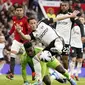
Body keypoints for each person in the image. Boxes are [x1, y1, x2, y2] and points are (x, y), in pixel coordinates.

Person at [16, 11, 79, 85]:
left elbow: (57, 19)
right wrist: (20, 32)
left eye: (34, 23)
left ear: (36, 22)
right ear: (29, 25)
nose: (33, 25)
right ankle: (39, 81)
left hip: (58, 40)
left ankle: (58, 49)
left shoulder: (43, 22)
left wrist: (70, 16)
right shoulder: (33, 34)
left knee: (58, 46)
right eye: (31, 23)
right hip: (49, 48)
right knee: (35, 58)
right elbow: (26, 38)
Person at [5, 5, 32, 79]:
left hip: (25, 42)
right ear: (15, 11)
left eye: (20, 10)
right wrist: (9, 34)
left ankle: (33, 72)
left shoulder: (26, 20)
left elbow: (29, 31)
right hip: (16, 41)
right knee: (12, 56)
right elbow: (14, 27)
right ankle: (11, 74)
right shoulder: (14, 18)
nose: (19, 12)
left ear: (23, 11)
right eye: (17, 10)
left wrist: (28, 38)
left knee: (29, 58)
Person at [55, 1, 84, 70]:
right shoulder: (58, 15)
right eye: (62, 5)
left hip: (66, 42)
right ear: (60, 6)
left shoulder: (71, 15)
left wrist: (83, 36)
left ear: (68, 6)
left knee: (65, 60)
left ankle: (67, 75)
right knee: (53, 57)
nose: (64, 7)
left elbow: (81, 25)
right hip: (56, 40)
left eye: (65, 5)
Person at [69, 16, 85, 81]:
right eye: (80, 19)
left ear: (84, 21)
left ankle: (77, 75)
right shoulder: (74, 27)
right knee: (73, 59)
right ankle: (72, 74)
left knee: (80, 61)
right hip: (73, 45)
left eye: (82, 20)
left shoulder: (84, 28)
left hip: (80, 46)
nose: (81, 20)